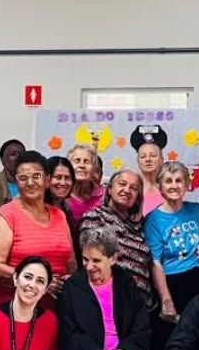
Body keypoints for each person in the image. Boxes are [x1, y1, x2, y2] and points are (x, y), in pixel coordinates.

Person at [146, 161, 199, 350]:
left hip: (196, 286)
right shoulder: (153, 219)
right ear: (159, 186)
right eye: (168, 181)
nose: (173, 186)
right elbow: (156, 262)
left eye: (178, 180)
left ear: (187, 184)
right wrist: (166, 300)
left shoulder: (198, 211)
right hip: (169, 285)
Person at [0, 151, 76, 303]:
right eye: (23, 178)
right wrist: (39, 280)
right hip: (17, 306)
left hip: (58, 306)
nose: (30, 183)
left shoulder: (59, 215)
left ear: (47, 181)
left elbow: (71, 263)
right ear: (16, 182)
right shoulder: (8, 214)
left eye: (36, 176)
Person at [79, 169, 154, 302]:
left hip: (144, 304)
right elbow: (95, 261)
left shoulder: (140, 225)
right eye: (122, 184)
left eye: (133, 188)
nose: (127, 190)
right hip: (111, 300)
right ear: (109, 189)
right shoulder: (95, 217)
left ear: (137, 198)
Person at [66, 144, 106, 227]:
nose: (81, 165)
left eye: (86, 162)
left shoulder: (105, 195)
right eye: (77, 161)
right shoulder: (62, 195)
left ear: (94, 169)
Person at [133, 125, 168, 214]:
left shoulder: (170, 187)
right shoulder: (132, 189)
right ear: (138, 161)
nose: (148, 159)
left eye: (153, 155)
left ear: (162, 159)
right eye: (143, 156)